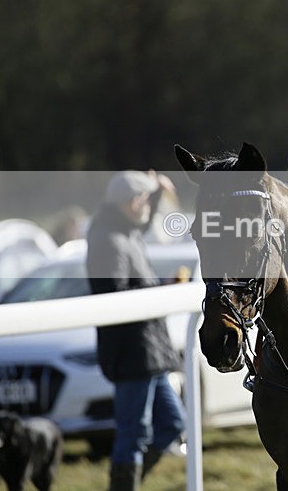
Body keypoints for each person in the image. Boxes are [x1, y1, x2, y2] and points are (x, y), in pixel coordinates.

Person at [86, 170, 186, 491]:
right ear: (131, 203)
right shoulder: (110, 240)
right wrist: (158, 294)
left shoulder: (125, 229)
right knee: (134, 434)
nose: (146, 207)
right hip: (133, 354)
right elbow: (114, 296)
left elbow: (143, 218)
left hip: (150, 353)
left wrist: (155, 191)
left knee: (173, 425)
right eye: (143, 200)